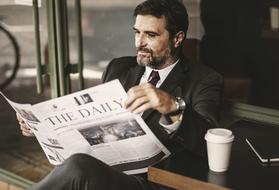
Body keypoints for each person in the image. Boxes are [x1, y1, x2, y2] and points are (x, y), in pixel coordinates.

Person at [17, 0, 223, 189]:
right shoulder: (118, 68)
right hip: (106, 168)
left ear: (177, 39)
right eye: (137, 32)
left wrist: (174, 107)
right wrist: (42, 126)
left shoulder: (204, 79)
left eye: (150, 35)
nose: (139, 42)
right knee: (75, 167)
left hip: (150, 181)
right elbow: (88, 118)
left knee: (78, 167)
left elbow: (208, 144)